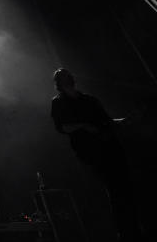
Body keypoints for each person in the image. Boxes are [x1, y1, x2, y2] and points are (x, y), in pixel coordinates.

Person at [51, 68, 142, 241]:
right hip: (89, 153)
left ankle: (130, 231)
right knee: (104, 191)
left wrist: (125, 121)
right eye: (62, 76)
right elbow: (62, 127)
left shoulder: (90, 100)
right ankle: (115, 231)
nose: (67, 78)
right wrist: (84, 126)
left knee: (123, 190)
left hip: (110, 148)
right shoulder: (58, 102)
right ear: (59, 83)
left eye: (67, 75)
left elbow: (106, 122)